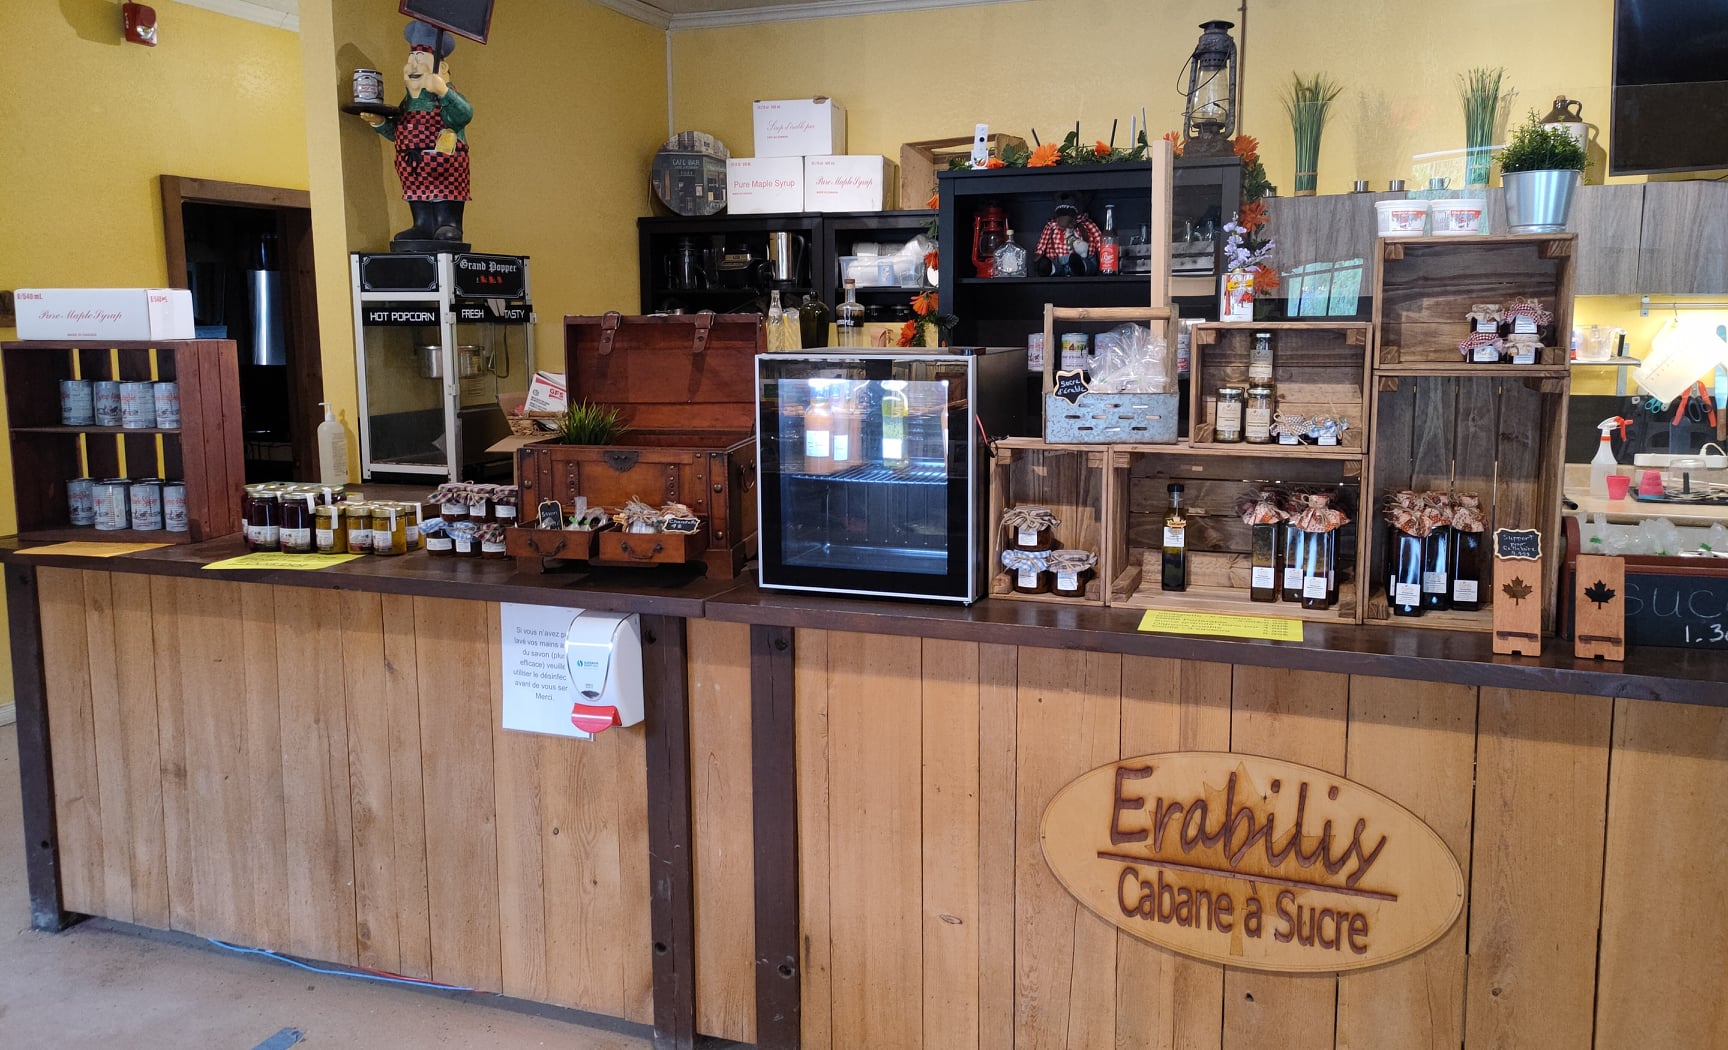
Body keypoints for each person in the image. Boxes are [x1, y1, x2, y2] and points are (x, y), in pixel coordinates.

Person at [360, 21, 473, 246]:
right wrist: (380, 123)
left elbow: (464, 114)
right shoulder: (408, 104)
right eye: (410, 61)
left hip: (445, 167)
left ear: (442, 69)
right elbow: (400, 133)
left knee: (444, 198)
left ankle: (448, 223)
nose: (413, 66)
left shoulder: (446, 99)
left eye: (420, 61)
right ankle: (422, 225)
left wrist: (443, 91)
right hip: (413, 168)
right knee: (418, 198)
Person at [1034, 200, 1103, 276]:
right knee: (1052, 267)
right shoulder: (1051, 226)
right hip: (1058, 261)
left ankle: (1082, 266)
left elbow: (1099, 239)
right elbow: (1042, 244)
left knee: (1086, 265)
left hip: (1084, 258)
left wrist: (1103, 255)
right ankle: (1050, 268)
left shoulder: (1086, 223)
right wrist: (1038, 256)